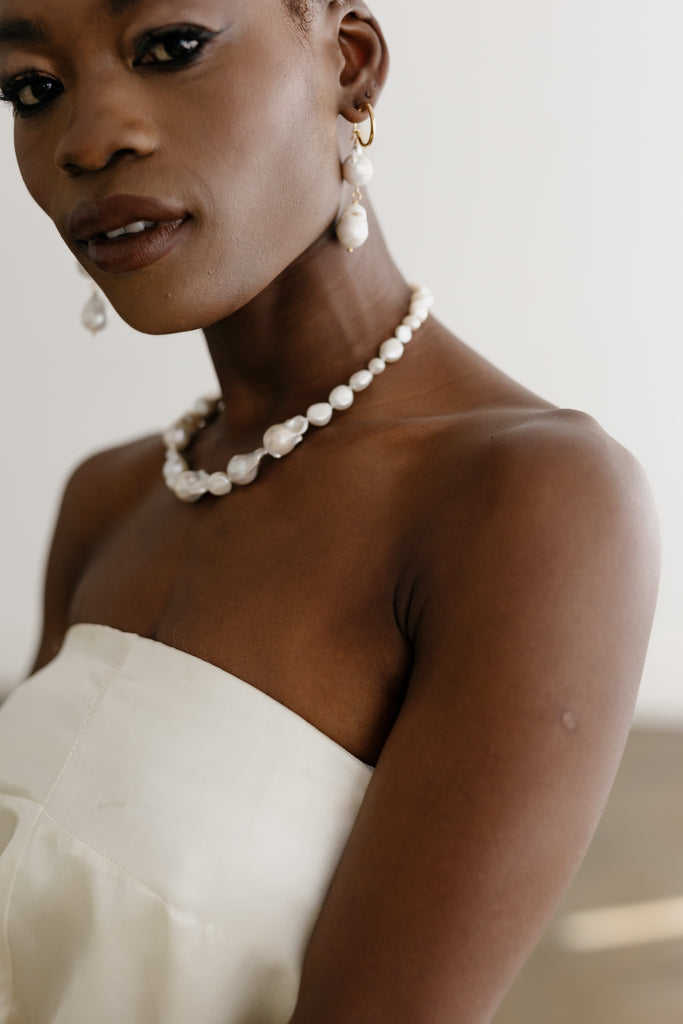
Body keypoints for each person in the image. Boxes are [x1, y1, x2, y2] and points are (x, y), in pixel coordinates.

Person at [0, 1, 660, 1021]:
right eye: (31, 89)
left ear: (348, 67)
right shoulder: (109, 499)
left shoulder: (529, 502)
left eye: (170, 47)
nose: (90, 138)